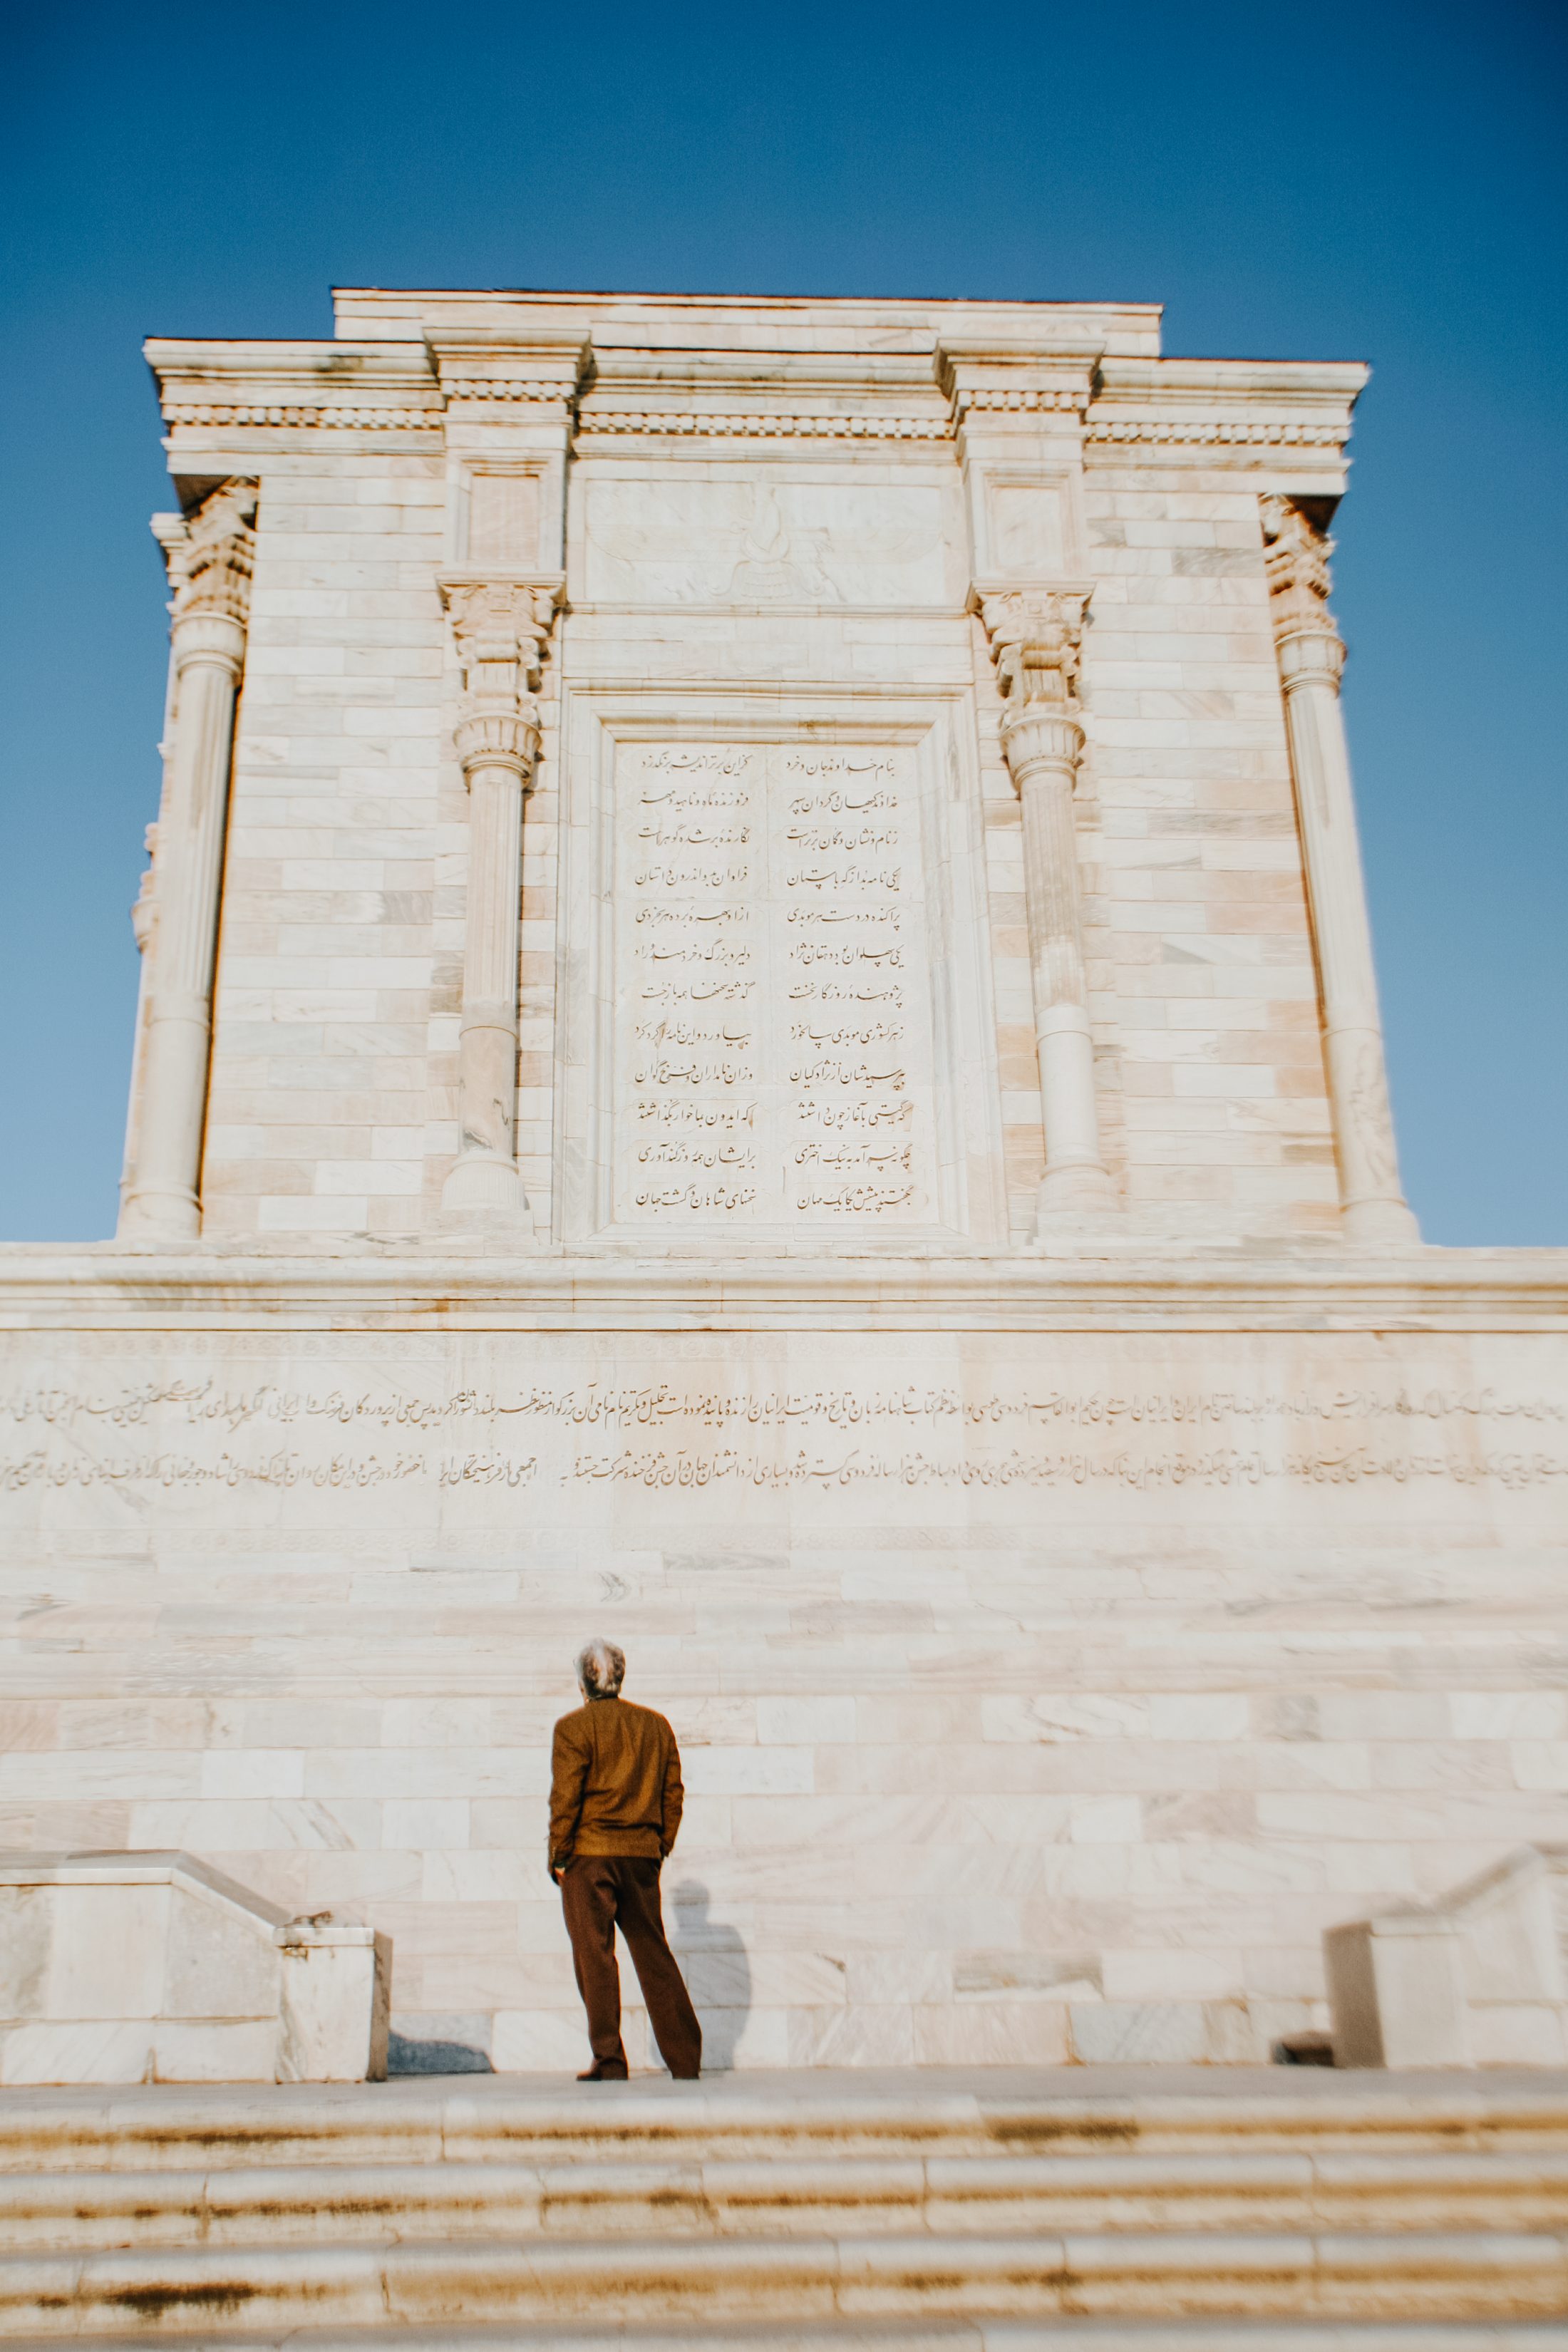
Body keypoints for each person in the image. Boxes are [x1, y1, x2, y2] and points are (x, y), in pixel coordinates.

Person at [548, 1638, 702, 2081]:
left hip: (589, 1857)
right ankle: (686, 2059)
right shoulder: (656, 1726)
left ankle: (610, 2060)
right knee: (654, 1954)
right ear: (620, 1676)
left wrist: (560, 1854)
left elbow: (566, 1799)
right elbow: (674, 1794)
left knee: (594, 1958)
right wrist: (660, 1846)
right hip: (640, 1858)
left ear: (583, 1683)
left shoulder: (572, 1729)